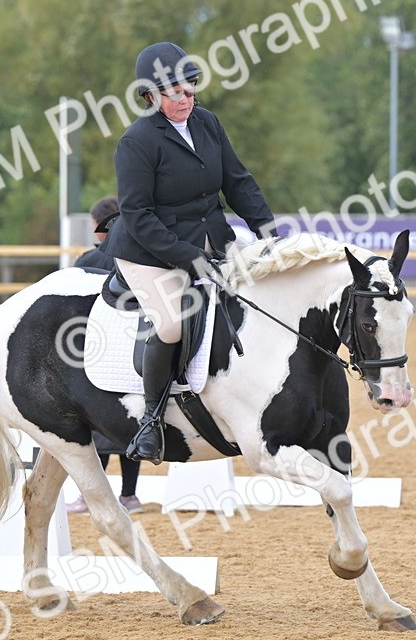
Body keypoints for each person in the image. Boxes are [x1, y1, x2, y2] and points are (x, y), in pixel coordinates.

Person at [101, 41, 279, 464]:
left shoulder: (208, 124)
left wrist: (268, 233)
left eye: (190, 88)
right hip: (147, 249)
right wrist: (188, 257)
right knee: (171, 324)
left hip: (209, 238)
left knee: (261, 297)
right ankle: (151, 418)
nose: (185, 98)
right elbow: (139, 215)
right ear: (151, 95)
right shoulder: (136, 142)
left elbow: (238, 182)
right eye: (174, 92)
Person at [68, 195, 144, 513]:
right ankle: (129, 495)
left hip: (93, 346)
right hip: (131, 346)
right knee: (129, 421)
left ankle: (89, 496)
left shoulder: (86, 261)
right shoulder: (137, 261)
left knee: (92, 422)